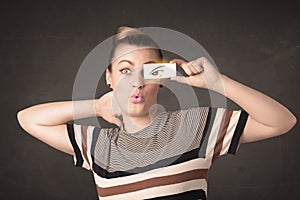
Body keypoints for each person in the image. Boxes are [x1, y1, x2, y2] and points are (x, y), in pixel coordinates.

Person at [17, 26, 297, 200]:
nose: (136, 82)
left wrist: (217, 82)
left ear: (160, 78)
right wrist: (96, 106)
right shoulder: (98, 147)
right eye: (125, 70)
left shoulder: (194, 127)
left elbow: (282, 121)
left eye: (147, 71)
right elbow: (28, 119)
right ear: (109, 78)